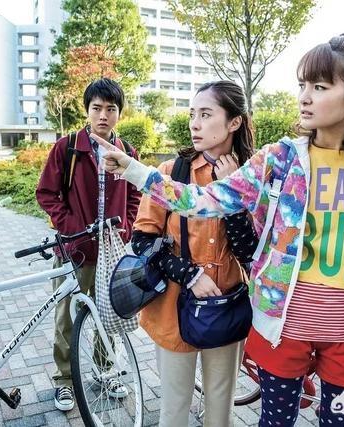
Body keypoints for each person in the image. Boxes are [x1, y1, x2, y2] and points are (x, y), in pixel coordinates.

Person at [96, 34, 344, 427]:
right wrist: (134, 170)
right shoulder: (281, 158)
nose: (304, 97)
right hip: (282, 325)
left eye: (319, 87)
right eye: (302, 85)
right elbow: (203, 199)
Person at [131, 80, 257, 426]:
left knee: (220, 409)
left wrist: (233, 194)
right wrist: (190, 275)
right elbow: (141, 240)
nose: (194, 124)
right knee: (174, 409)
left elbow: (251, 252)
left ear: (234, 122)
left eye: (206, 114)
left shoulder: (252, 176)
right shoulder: (172, 173)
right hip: (173, 307)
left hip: (227, 305)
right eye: (192, 115)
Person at [35, 78, 142, 411]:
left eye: (111, 109)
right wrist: (71, 227)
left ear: (119, 113)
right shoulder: (67, 148)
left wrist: (126, 227)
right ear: (87, 110)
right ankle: (65, 381)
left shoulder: (127, 153)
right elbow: (46, 193)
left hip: (112, 252)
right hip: (74, 251)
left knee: (107, 316)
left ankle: (105, 371)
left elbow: (136, 195)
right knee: (66, 320)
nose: (103, 115)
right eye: (97, 108)